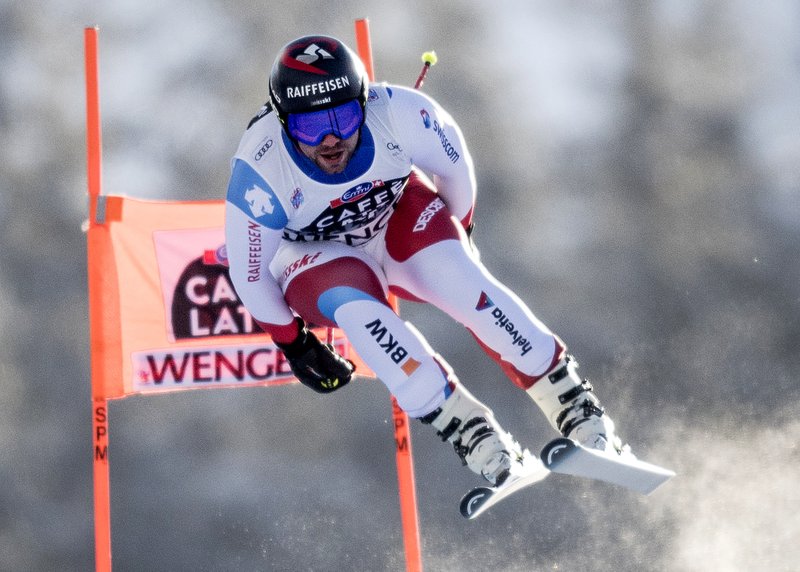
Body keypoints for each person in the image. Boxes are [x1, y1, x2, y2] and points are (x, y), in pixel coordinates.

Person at [225, 35, 627, 487]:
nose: (332, 139)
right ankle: (475, 435)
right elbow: (250, 274)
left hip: (394, 215)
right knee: (360, 312)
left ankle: (578, 410)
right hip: (316, 255)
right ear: (282, 122)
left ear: (364, 100)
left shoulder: (400, 113)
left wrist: (457, 238)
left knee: (461, 281)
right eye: (310, 128)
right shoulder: (260, 171)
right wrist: (294, 343)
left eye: (343, 116)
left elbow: (456, 169)